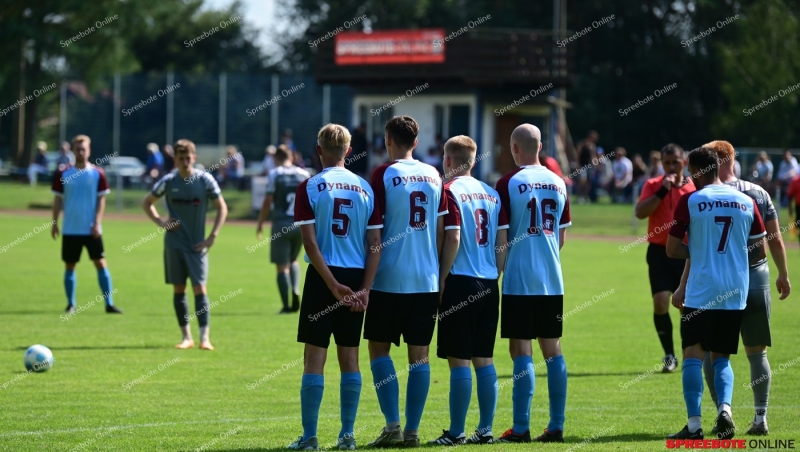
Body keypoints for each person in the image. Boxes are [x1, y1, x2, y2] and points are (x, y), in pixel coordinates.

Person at [287, 124, 383, 451]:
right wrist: (366, 289)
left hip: (324, 278)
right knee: (350, 359)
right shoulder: (365, 188)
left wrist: (331, 285)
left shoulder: (310, 187)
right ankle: (347, 437)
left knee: (314, 358)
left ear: (318, 149)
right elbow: (375, 244)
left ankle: (310, 437)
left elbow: (311, 245)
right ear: (349, 149)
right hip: (356, 279)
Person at [667, 146, 767, 440]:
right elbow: (759, 249)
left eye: (689, 171)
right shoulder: (746, 202)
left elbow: (673, 249)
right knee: (721, 357)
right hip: (735, 290)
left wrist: (700, 253)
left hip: (701, 288)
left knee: (693, 355)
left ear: (698, 171)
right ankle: (725, 409)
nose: (687, 176)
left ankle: (695, 425)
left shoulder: (691, 200)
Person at [364, 115, 446, 448]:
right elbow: (442, 231)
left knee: (378, 349)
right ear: (416, 141)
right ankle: (413, 431)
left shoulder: (383, 173)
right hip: (426, 279)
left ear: (388, 140)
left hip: (388, 277)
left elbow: (375, 232)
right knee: (420, 357)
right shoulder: (435, 175)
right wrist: (437, 273)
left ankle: (393, 426)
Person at [703, 140, 791, 436]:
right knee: (758, 353)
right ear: (733, 159)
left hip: (718, 280)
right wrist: (784, 274)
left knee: (714, 354)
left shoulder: (702, 195)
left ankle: (722, 413)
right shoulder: (758, 192)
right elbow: (776, 239)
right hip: (755, 275)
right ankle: (761, 418)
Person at [428, 136, 508, 446]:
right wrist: (494, 275)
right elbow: (502, 243)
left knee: (458, 359)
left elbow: (452, 238)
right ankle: (485, 430)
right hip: (489, 283)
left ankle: (456, 432)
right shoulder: (491, 194)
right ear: (473, 161)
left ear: (448, 160)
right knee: (484, 359)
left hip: (459, 281)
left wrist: (441, 278)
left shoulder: (447, 191)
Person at [494, 124, 571, 443]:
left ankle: (521, 427)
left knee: (520, 349)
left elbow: (502, 239)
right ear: (540, 147)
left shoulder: (507, 182)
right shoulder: (559, 182)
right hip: (552, 279)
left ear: (514, 148)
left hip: (519, 278)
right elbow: (562, 236)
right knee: (553, 351)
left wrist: (496, 274)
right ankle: (556, 425)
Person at [142, 139, 228, 350]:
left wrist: (212, 236)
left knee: (200, 288)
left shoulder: (206, 180)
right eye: (181, 158)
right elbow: (147, 203)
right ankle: (186, 337)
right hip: (174, 244)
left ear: (194, 158)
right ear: (175, 159)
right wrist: (161, 222)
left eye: (188, 158)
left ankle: (204, 338)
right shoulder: (169, 181)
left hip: (198, 245)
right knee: (179, 289)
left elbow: (222, 208)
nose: (185, 161)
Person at [634, 143, 695, 372]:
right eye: (666, 162)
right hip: (659, 253)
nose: (670, 166)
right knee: (660, 304)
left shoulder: (693, 188)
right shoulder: (653, 185)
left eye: (675, 162)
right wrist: (662, 191)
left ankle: (689, 355)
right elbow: (640, 213)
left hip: (685, 254)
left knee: (686, 307)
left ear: (684, 162)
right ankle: (669, 356)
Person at [51, 134, 122, 314]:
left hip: (92, 229)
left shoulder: (97, 173)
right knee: (70, 265)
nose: (81, 152)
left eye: (84, 149)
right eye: (78, 149)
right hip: (71, 228)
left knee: (100, 263)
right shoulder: (63, 173)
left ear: (89, 151)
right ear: (73, 151)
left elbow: (101, 200)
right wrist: (54, 222)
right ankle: (71, 304)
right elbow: (57, 200)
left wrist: (97, 223)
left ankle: (109, 304)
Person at [256, 145, 310, 314]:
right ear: (292, 157)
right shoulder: (304, 174)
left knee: (281, 267)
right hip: (299, 225)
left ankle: (286, 305)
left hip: (281, 224)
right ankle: (295, 288)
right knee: (293, 260)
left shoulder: (275, 174)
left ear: (276, 159)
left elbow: (267, 200)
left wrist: (260, 222)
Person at [575, 131, 599, 203]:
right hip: (582, 165)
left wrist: (596, 164)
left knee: (588, 182)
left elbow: (593, 156)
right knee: (582, 181)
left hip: (589, 166)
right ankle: (580, 196)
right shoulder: (582, 144)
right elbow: (578, 155)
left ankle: (586, 196)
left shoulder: (592, 146)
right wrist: (578, 165)